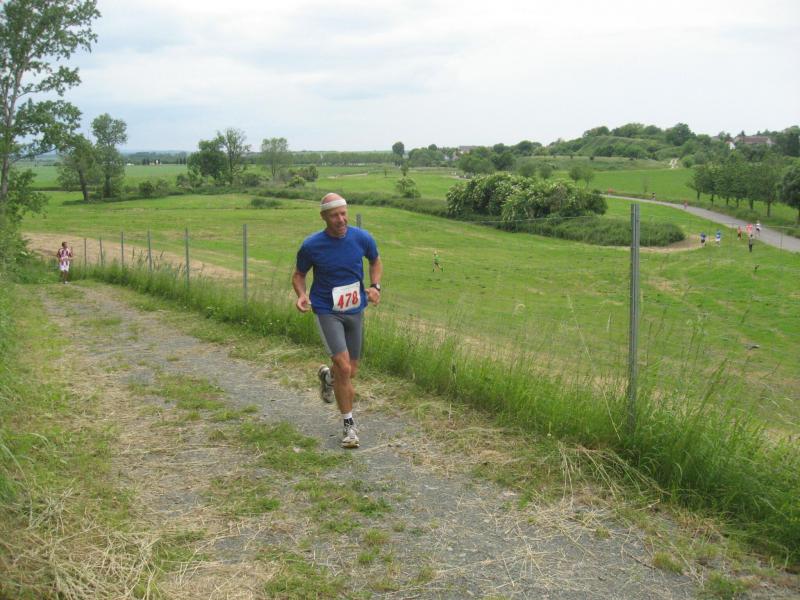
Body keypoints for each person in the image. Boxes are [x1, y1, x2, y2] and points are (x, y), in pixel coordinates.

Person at [292, 193, 382, 449]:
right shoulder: (312, 245)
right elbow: (299, 274)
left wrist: (376, 286)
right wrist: (302, 295)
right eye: (334, 215)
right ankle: (349, 426)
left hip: (355, 309)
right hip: (326, 310)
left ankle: (327, 378)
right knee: (343, 367)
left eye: (343, 213)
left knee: (350, 371)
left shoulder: (362, 238)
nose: (341, 219)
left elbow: (375, 260)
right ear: (324, 217)